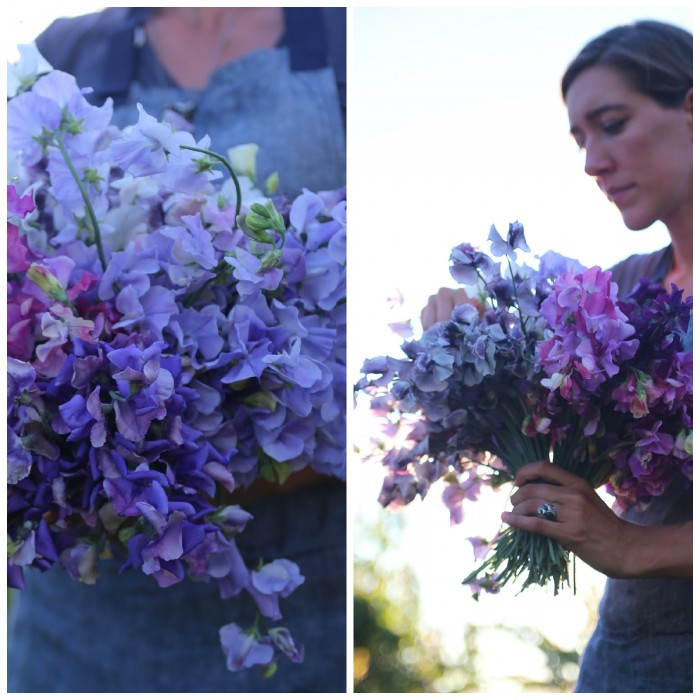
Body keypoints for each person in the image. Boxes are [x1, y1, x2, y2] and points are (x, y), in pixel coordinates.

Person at [7, 7, 346, 693]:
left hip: (303, 585)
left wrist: (205, 455)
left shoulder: (340, 38)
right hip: (75, 626)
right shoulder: (65, 49)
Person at [424, 19, 692, 693]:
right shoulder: (626, 290)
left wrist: (632, 547)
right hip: (627, 648)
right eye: (580, 138)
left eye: (612, 123)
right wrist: (474, 333)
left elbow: (626, 537)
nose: (591, 162)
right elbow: (552, 414)